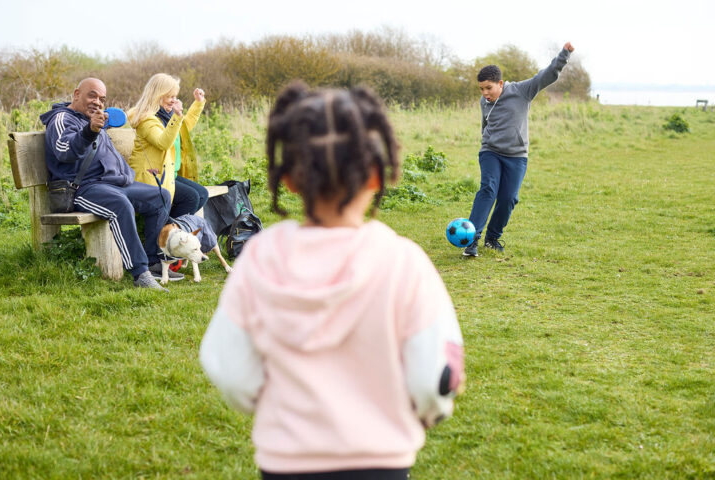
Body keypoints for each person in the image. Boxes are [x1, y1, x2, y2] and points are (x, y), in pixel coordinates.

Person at [200, 82, 465, 479]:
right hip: (382, 460)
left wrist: (274, 408)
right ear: (377, 176)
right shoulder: (404, 261)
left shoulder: (259, 258)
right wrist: (429, 412)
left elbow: (229, 367)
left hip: (286, 461)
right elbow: (435, 377)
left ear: (288, 179)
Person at [40, 78, 170, 291]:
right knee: (120, 204)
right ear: (76, 94)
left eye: (102, 99)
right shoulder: (62, 119)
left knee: (160, 196)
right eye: (92, 95)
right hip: (83, 188)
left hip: (115, 184)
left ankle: (153, 261)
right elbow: (64, 150)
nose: (97, 102)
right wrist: (89, 131)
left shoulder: (93, 118)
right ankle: (140, 273)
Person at [463, 42, 575, 257]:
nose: (485, 93)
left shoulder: (522, 91)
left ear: (501, 83)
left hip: (516, 156)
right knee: (488, 189)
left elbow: (548, 75)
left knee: (508, 198)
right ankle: (471, 239)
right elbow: (485, 125)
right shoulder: (484, 101)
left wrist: (565, 54)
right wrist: (486, 142)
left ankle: (492, 238)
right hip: (490, 152)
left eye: (489, 88)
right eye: (481, 89)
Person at [127, 73, 209, 220]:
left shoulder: (167, 115)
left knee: (202, 194)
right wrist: (177, 116)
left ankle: (174, 228)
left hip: (169, 173)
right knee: (191, 198)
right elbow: (163, 142)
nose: (174, 100)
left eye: (175, 96)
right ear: (158, 95)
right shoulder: (148, 119)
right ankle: (168, 231)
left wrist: (198, 103)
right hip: (153, 177)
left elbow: (185, 126)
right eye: (170, 96)